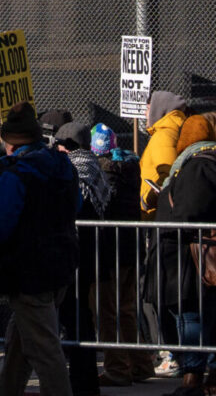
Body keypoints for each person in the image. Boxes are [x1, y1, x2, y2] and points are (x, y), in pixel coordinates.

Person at [0, 103, 79, 396]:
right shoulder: (63, 169)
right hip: (60, 265)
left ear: (10, 142)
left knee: (45, 351)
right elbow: (75, 207)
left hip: (30, 271)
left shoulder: (16, 176)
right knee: (21, 344)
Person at [152, 110, 216, 396]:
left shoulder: (200, 164)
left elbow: (192, 209)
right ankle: (212, 375)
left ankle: (194, 377)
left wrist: (167, 205)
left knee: (190, 315)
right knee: (210, 316)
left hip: (192, 253)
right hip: (206, 251)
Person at [92, 124, 150, 388]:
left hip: (109, 252)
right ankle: (139, 364)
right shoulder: (131, 169)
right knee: (126, 309)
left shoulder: (104, 174)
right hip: (130, 249)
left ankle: (117, 368)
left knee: (107, 311)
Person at [55, 121, 109, 396]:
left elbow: (79, 206)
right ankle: (85, 380)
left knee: (75, 318)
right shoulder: (93, 163)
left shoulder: (76, 169)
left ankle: (82, 380)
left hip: (77, 251)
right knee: (80, 317)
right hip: (87, 251)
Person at [139, 91, 189, 217]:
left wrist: (146, 200)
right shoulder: (178, 130)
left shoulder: (163, 136)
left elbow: (168, 175)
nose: (145, 114)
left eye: (148, 109)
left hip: (156, 214)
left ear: (158, 109)